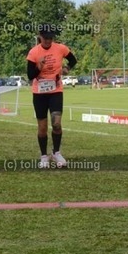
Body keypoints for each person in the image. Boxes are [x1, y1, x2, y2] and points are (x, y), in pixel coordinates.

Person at [26, 24, 77, 169]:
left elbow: (73, 60)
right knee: (42, 128)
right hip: (39, 94)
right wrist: (39, 67)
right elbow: (30, 75)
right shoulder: (34, 52)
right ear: (40, 37)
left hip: (55, 91)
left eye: (50, 38)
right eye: (45, 38)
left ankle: (56, 152)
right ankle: (44, 156)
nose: (48, 41)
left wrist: (67, 68)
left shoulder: (60, 48)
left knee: (56, 124)